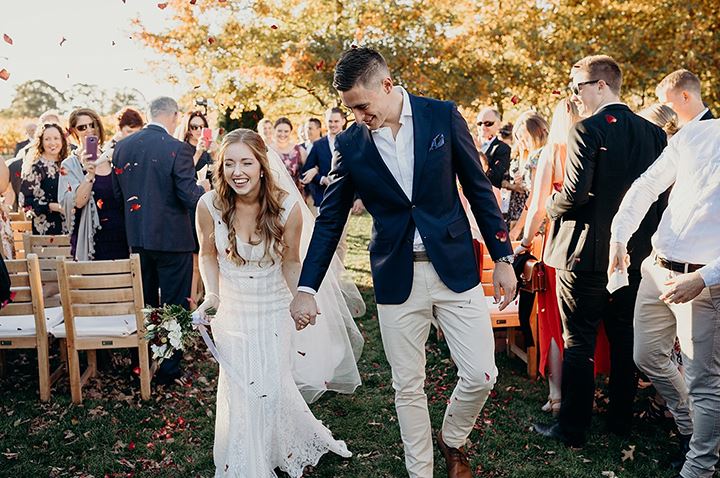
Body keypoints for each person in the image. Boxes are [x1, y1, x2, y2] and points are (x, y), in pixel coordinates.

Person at [290, 47, 517, 478]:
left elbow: (479, 190)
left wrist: (502, 256)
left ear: (387, 86)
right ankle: (422, 472)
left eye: (362, 105)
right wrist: (307, 287)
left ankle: (452, 438)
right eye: (349, 108)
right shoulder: (351, 143)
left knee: (482, 373)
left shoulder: (442, 116)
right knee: (407, 385)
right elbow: (331, 219)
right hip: (396, 275)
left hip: (454, 269)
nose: (358, 116)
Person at [192, 129, 356, 476]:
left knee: (268, 384)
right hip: (232, 310)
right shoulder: (208, 206)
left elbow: (292, 262)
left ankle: (267, 451)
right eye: (229, 163)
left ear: (262, 166)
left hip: (272, 308)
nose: (238, 171)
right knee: (240, 387)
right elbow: (206, 254)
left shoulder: (288, 208)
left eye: (246, 162)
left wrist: (301, 297)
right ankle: (250, 462)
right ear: (220, 168)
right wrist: (212, 295)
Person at [533, 55, 667, 447]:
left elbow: (574, 195)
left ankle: (572, 429)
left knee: (580, 340)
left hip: (585, 252)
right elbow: (658, 200)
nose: (576, 96)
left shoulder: (586, 129)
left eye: (578, 86)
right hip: (633, 255)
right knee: (624, 337)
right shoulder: (654, 135)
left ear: (600, 86)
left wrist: (550, 210)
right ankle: (619, 423)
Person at [610, 118, 720, 478]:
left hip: (704, 280)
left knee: (704, 380)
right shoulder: (695, 132)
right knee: (645, 355)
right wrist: (618, 237)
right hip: (657, 268)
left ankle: (700, 466)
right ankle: (690, 427)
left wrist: (704, 278)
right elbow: (647, 186)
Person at [112, 96, 208, 385]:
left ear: (150, 114)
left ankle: (140, 362)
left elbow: (119, 196)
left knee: (144, 303)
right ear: (175, 116)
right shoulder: (177, 149)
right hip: (172, 241)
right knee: (174, 304)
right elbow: (188, 197)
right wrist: (202, 187)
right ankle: (167, 369)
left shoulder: (122, 148)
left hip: (138, 240)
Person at [514, 99, 580, 417]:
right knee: (581, 322)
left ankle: (556, 396)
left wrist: (524, 243)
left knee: (552, 321)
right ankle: (583, 391)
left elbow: (537, 208)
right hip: (592, 246)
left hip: (556, 246)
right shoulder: (596, 147)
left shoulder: (553, 154)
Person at [58, 108, 128, 261]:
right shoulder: (69, 165)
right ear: (74, 132)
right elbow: (78, 202)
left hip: (121, 236)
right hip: (91, 238)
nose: (89, 130)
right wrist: (89, 175)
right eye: (82, 127)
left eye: (92, 125)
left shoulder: (112, 157)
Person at [176, 110, 215, 303]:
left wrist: (213, 152)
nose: (198, 131)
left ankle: (207, 300)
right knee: (194, 262)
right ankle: (192, 304)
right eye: (194, 127)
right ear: (187, 128)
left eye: (202, 127)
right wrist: (198, 151)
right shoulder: (183, 149)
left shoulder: (210, 151)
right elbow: (184, 173)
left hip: (210, 205)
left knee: (211, 257)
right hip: (191, 209)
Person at [503, 111, 548, 240]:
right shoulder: (535, 155)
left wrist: (517, 229)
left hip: (537, 220)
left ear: (537, 134)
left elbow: (534, 197)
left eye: (525, 139)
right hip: (532, 216)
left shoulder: (538, 156)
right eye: (518, 139)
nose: (522, 144)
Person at [19, 123, 69, 235]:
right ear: (41, 142)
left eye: (56, 138)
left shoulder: (69, 164)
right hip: (46, 230)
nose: (52, 143)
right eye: (47, 139)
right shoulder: (36, 167)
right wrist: (53, 206)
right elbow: (25, 202)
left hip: (71, 227)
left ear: (62, 140)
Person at [300, 107, 347, 211]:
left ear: (343, 121)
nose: (333, 124)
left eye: (336, 121)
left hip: (345, 196)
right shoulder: (318, 145)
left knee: (343, 228)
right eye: (330, 121)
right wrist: (321, 179)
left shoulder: (351, 143)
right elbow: (306, 171)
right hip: (323, 197)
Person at [476, 107, 511, 189]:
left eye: (488, 123)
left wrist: (478, 152)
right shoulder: (468, 144)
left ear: (498, 125)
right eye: (479, 123)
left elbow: (497, 180)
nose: (483, 127)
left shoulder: (503, 148)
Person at [270, 117, 307, 192]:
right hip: (273, 194)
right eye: (279, 131)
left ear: (290, 132)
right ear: (274, 131)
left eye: (286, 131)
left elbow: (309, 169)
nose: (283, 134)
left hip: (296, 194)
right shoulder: (267, 150)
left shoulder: (299, 150)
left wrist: (314, 170)